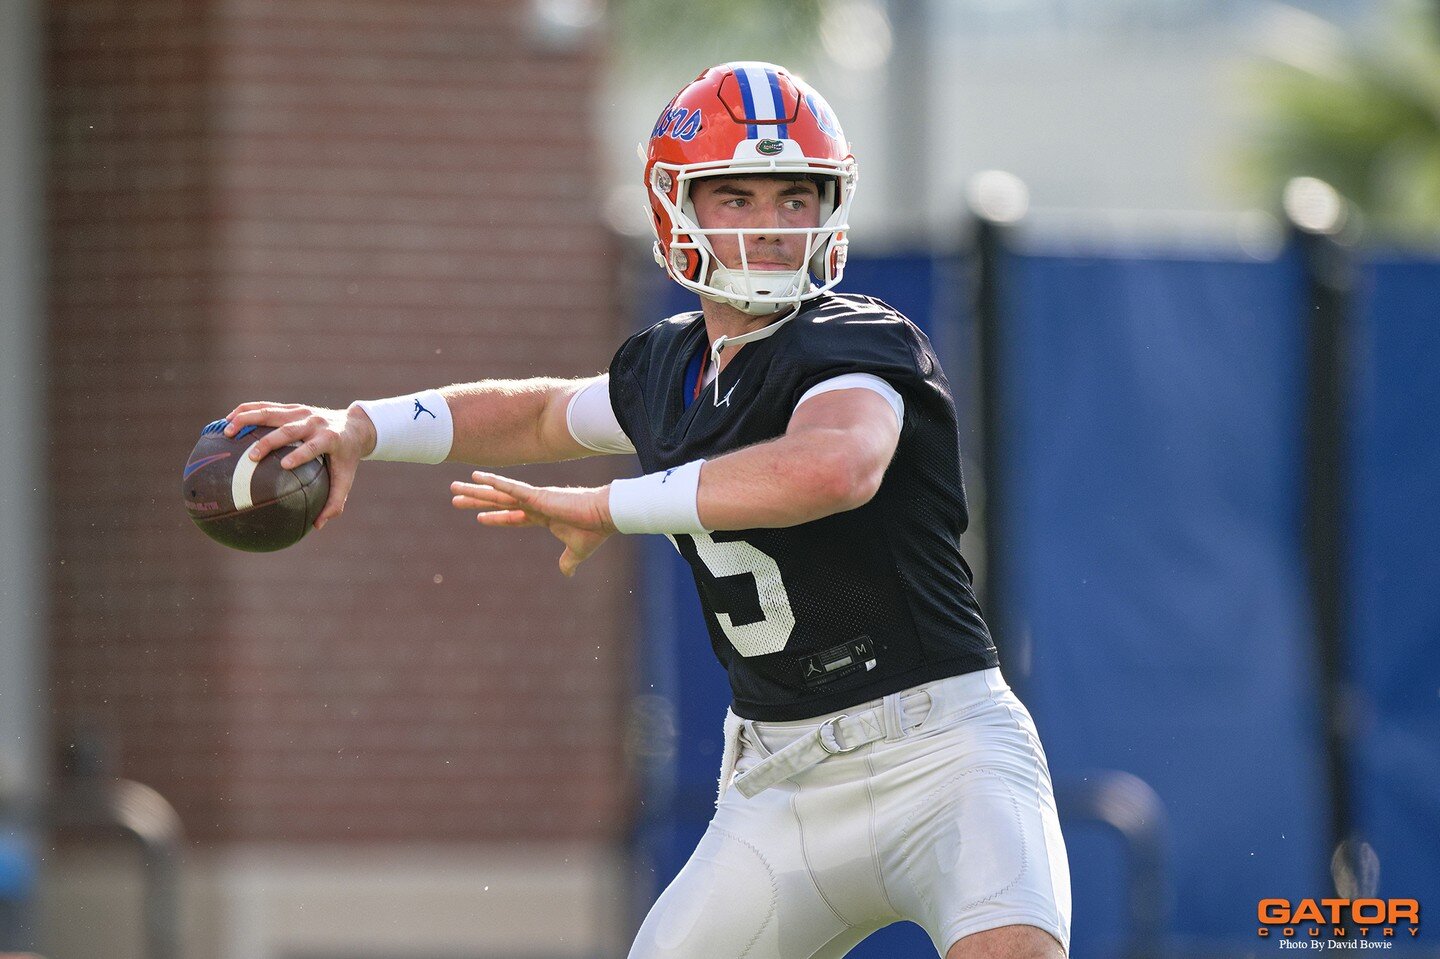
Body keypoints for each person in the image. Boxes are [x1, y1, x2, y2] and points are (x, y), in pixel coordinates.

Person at [222, 62, 1071, 959]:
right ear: (677, 210)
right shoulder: (668, 368)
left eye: (794, 196)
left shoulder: (857, 338)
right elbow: (542, 412)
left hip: (940, 757)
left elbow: (837, 466)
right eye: (735, 197)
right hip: (778, 786)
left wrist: (612, 505)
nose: (771, 226)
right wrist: (361, 426)